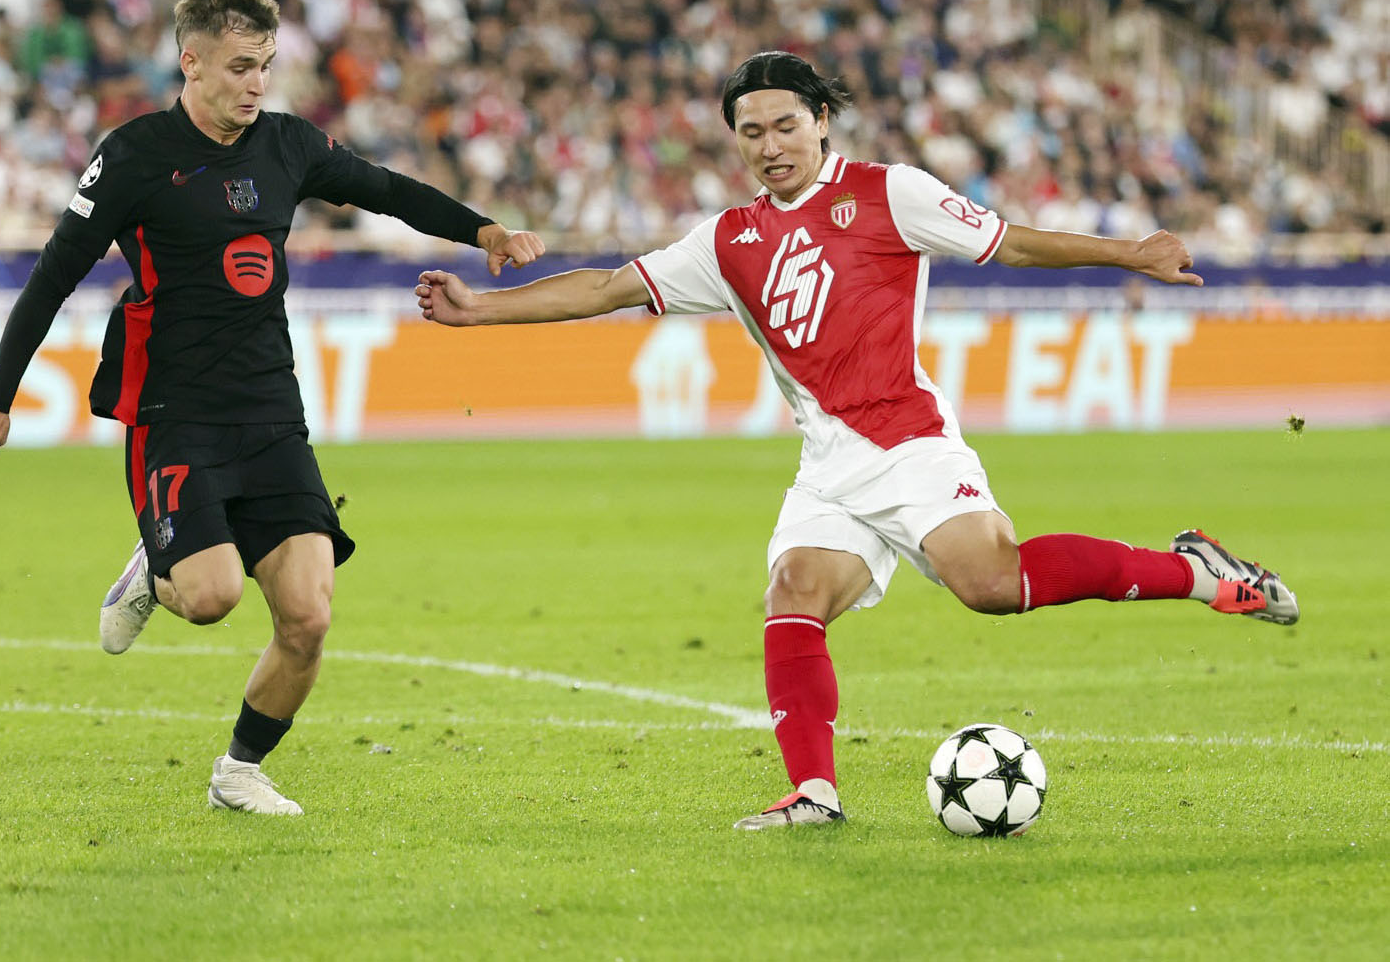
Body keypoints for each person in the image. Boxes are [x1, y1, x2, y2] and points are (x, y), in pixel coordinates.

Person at [413, 50, 1298, 831]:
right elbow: (607, 288)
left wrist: (1131, 254)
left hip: (908, 440)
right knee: (793, 593)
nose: (770, 146)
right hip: (829, 462)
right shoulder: (728, 241)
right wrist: (479, 310)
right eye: (750, 132)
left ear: (820, 121)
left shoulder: (889, 193)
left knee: (992, 586)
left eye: (785, 125)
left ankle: (1197, 571)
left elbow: (1011, 245)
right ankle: (813, 793)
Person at [0, 0, 545, 815]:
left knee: (308, 617)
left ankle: (238, 771)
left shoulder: (288, 144)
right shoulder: (134, 155)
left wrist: (484, 230)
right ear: (190, 63)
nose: (257, 83)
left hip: (271, 411)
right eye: (240, 67)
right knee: (210, 597)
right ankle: (156, 567)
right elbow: (53, 276)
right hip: (174, 415)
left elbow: (385, 189)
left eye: (266, 65)